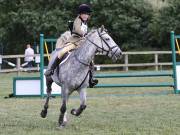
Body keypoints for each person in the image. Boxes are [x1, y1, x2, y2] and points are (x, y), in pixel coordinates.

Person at [44, 4, 98, 87]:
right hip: (74, 42)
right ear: (80, 14)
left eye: (87, 14)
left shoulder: (85, 23)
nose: (85, 15)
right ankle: (51, 70)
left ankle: (91, 79)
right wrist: (85, 34)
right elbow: (77, 30)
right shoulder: (77, 20)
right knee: (61, 52)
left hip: (81, 44)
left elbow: (85, 33)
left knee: (90, 59)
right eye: (84, 14)